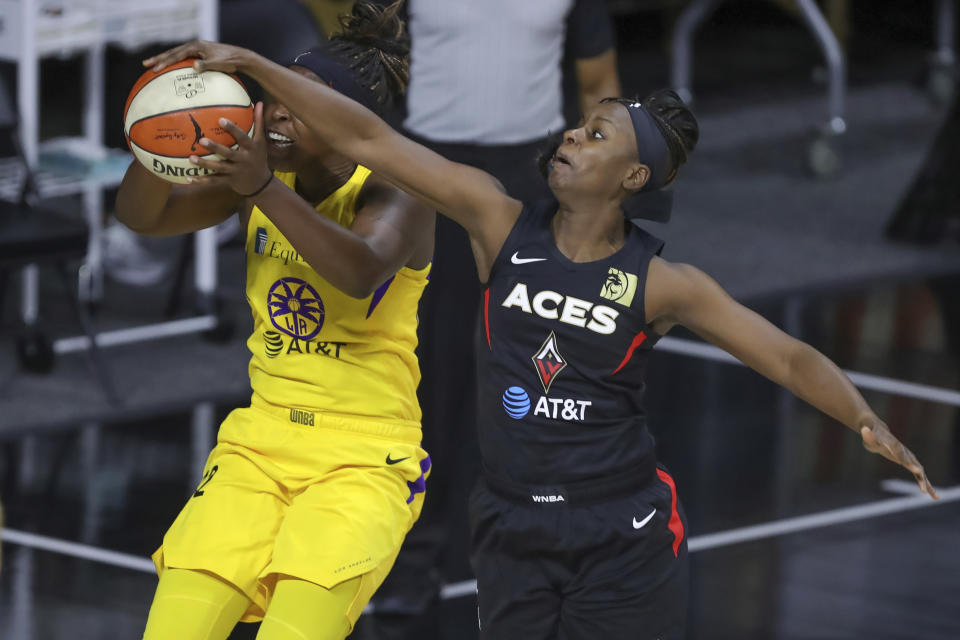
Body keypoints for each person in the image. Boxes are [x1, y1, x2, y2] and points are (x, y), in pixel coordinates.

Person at [143, 39, 939, 640]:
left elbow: (788, 355)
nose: (571, 137)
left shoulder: (663, 281)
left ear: (633, 180)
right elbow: (373, 143)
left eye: (597, 138)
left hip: (620, 530)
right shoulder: (497, 221)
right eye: (578, 126)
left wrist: (862, 416)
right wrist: (248, 65)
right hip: (513, 523)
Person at [116, 4, 435, 639]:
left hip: (364, 455)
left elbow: (360, 270)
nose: (280, 112)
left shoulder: (400, 190)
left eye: (304, 104)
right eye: (275, 97)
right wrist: (160, 136)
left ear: (351, 124)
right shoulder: (256, 177)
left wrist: (263, 188)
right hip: (260, 441)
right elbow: (143, 217)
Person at [367, 2, 622, 630]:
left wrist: (603, 189)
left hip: (533, 183)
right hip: (429, 177)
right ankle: (411, 557)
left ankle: (540, 553)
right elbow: (369, 75)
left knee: (543, 379)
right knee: (430, 375)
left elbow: (599, 87)